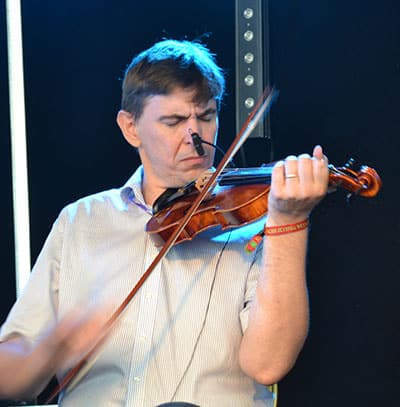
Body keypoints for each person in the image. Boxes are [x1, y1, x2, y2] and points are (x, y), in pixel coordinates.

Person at [0, 39, 329, 406]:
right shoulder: (80, 221)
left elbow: (268, 366)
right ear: (131, 128)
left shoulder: (250, 223)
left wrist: (289, 222)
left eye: (206, 116)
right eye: (173, 121)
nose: (196, 138)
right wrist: (53, 346)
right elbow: (10, 381)